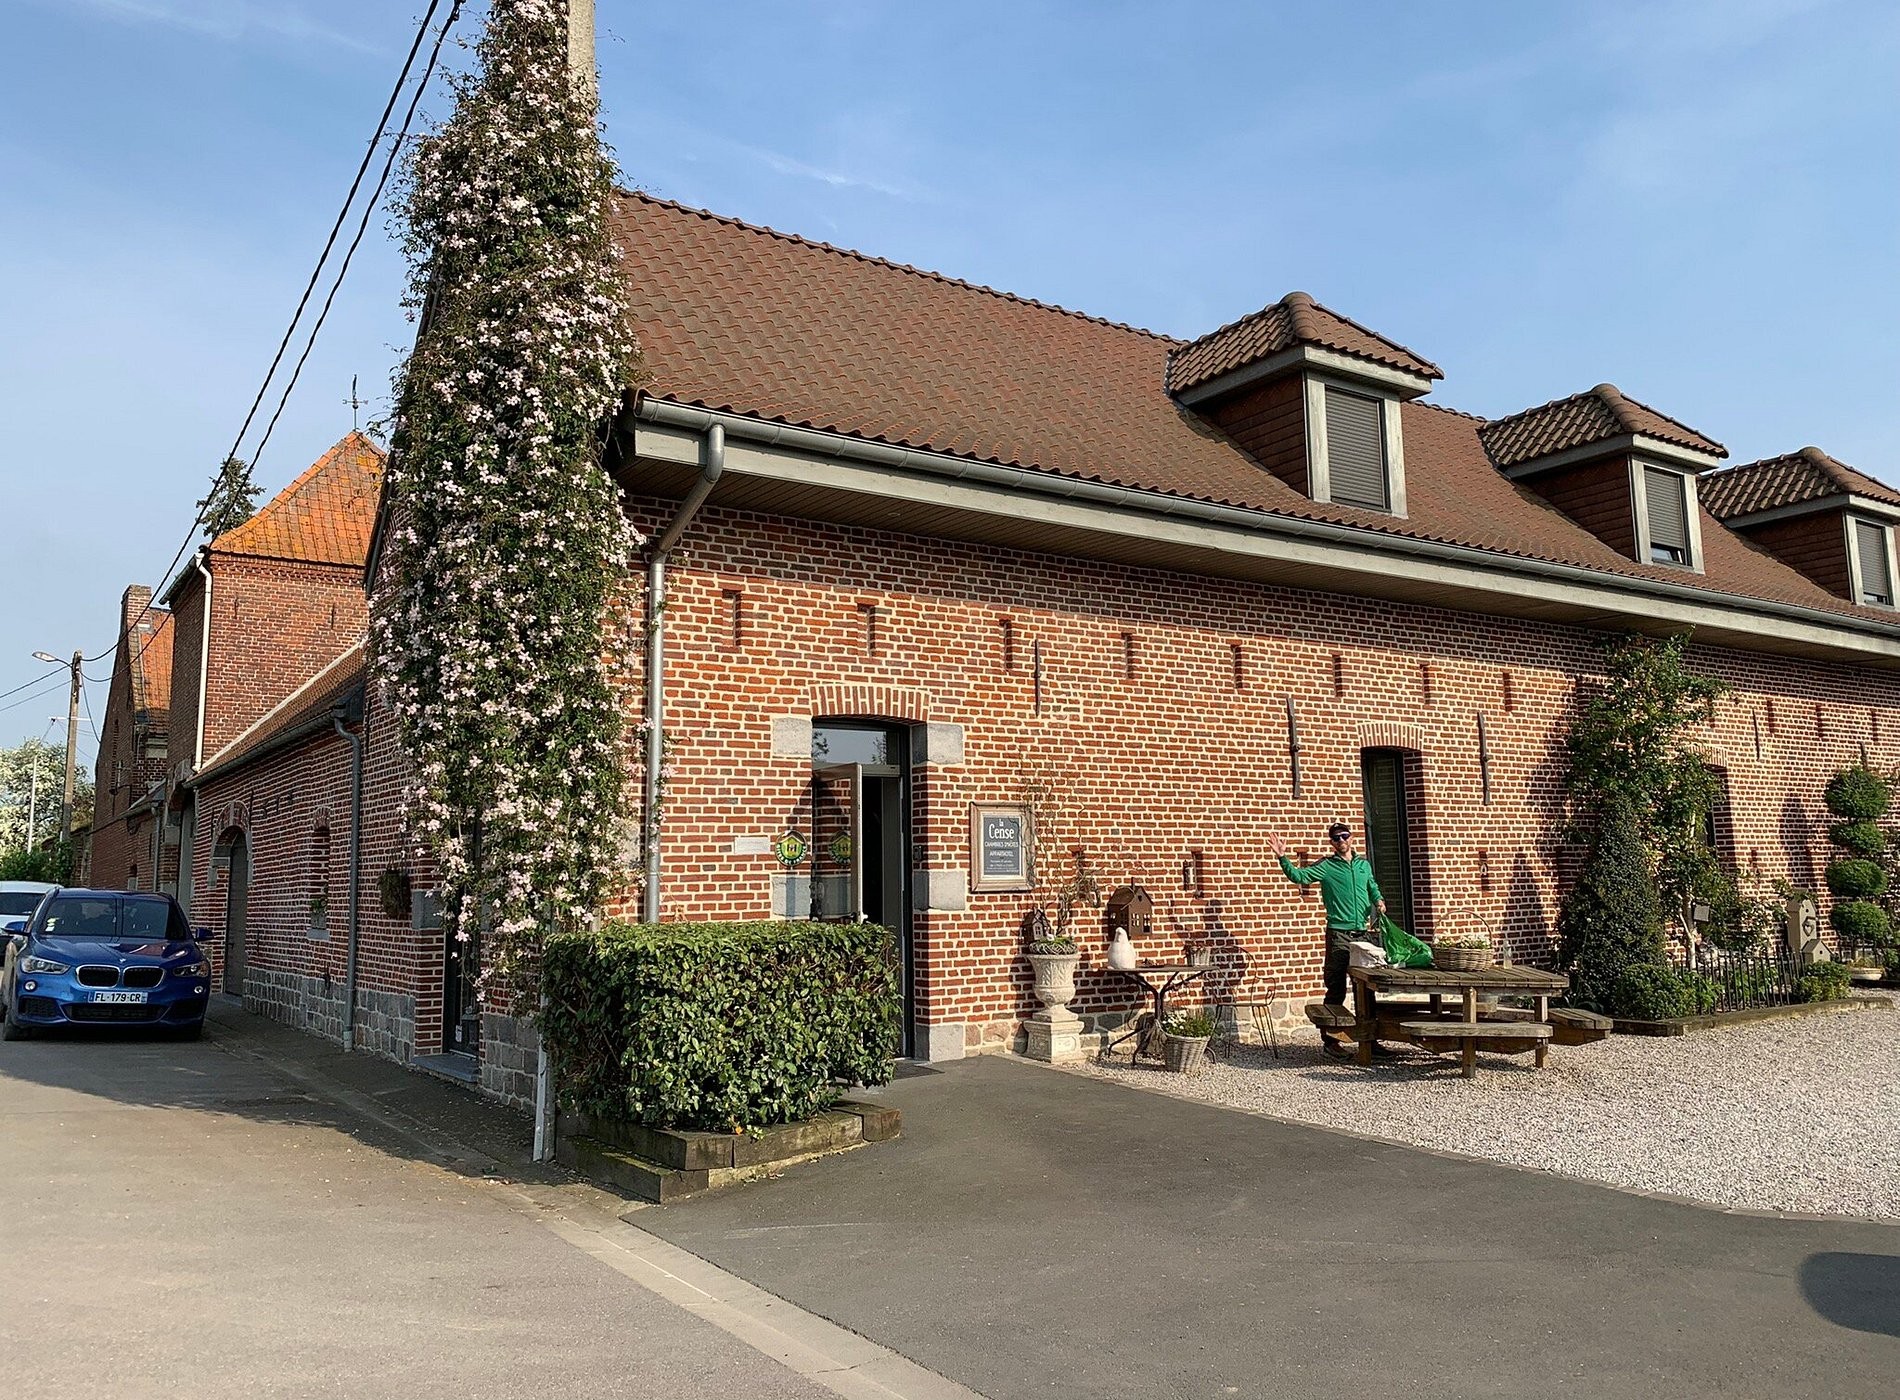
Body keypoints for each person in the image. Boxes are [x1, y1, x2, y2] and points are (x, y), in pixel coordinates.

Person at [1269, 822, 1387, 1059]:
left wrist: (1379, 900)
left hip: (1362, 934)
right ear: (1331, 843)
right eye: (1336, 838)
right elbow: (1299, 876)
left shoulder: (1363, 865)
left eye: (1344, 836)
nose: (1341, 840)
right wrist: (1283, 857)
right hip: (1339, 934)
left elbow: (1371, 886)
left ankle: (1370, 1041)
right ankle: (1331, 1042)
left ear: (1351, 838)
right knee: (1336, 987)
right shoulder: (1326, 866)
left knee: (1366, 989)